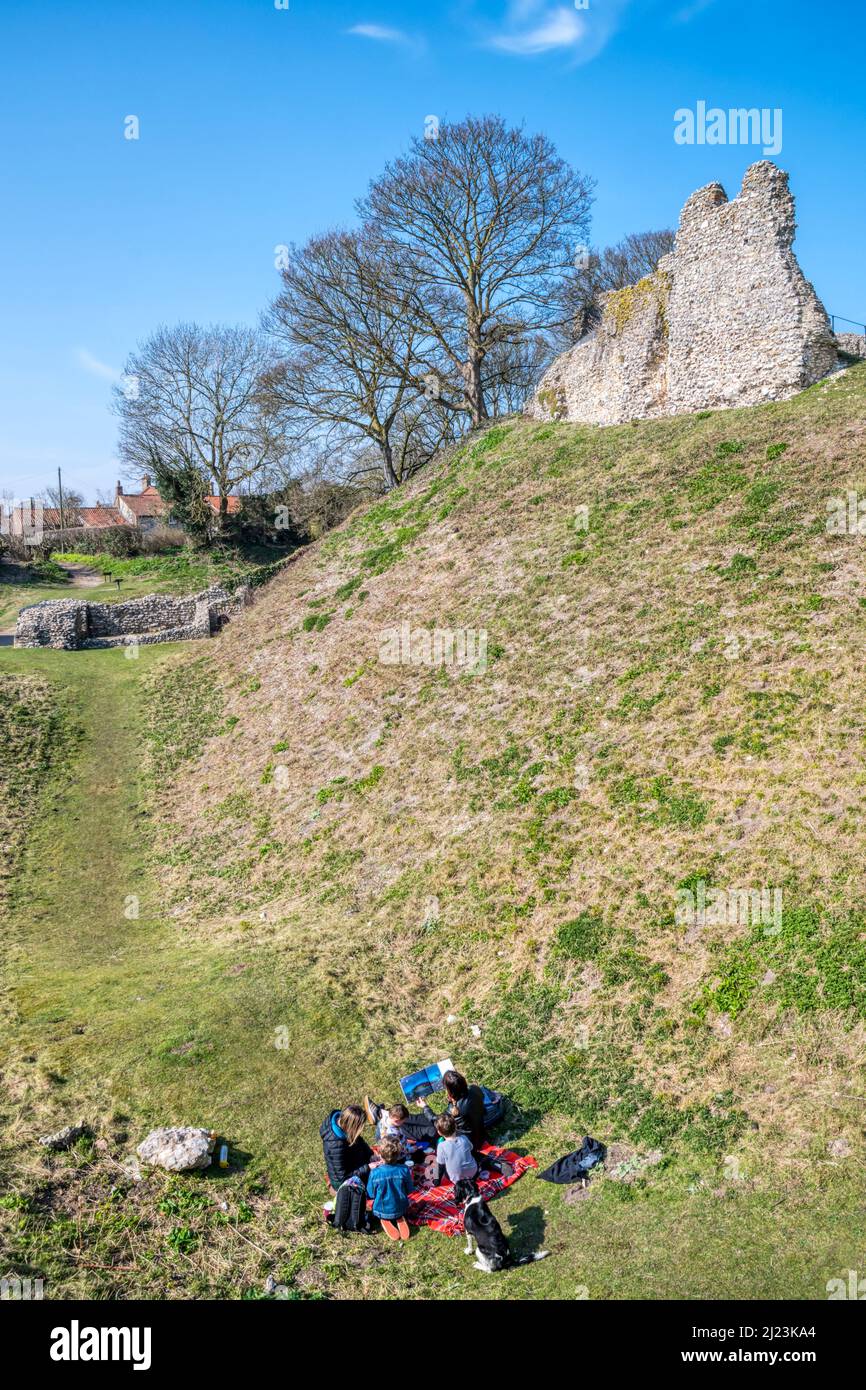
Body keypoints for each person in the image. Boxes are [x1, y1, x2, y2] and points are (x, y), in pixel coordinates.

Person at [366, 1137, 415, 1240]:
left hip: (381, 1209)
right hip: (402, 1206)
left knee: (382, 1209)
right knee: (399, 1208)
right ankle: (399, 1217)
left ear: (380, 1154)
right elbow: (410, 1190)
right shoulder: (404, 1170)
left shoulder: (375, 1173)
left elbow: (370, 1194)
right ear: (398, 1155)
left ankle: (385, 1219)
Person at [321, 1105, 373, 1194]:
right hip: (343, 1182)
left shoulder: (344, 1123)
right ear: (351, 1126)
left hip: (355, 1163)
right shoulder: (334, 1146)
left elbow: (359, 1141)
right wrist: (368, 1167)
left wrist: (370, 1154)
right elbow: (343, 1179)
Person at [364, 1094, 438, 1146]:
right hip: (440, 1121)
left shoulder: (392, 1133)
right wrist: (425, 1107)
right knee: (407, 1117)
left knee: (428, 1130)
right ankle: (381, 1114)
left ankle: (380, 1115)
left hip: (438, 1128)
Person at [442, 1070, 487, 1150]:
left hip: (469, 1143)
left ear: (450, 1091)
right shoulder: (474, 1089)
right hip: (481, 1132)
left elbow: (439, 1121)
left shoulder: (452, 1109)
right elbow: (482, 1097)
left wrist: (425, 1107)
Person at [435, 1113, 478, 1186]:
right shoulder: (464, 1138)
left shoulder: (441, 1146)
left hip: (455, 1179)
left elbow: (440, 1166)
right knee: (475, 1155)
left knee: (442, 1162)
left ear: (439, 1132)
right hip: (473, 1173)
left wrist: (437, 1181)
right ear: (455, 1126)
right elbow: (472, 1150)